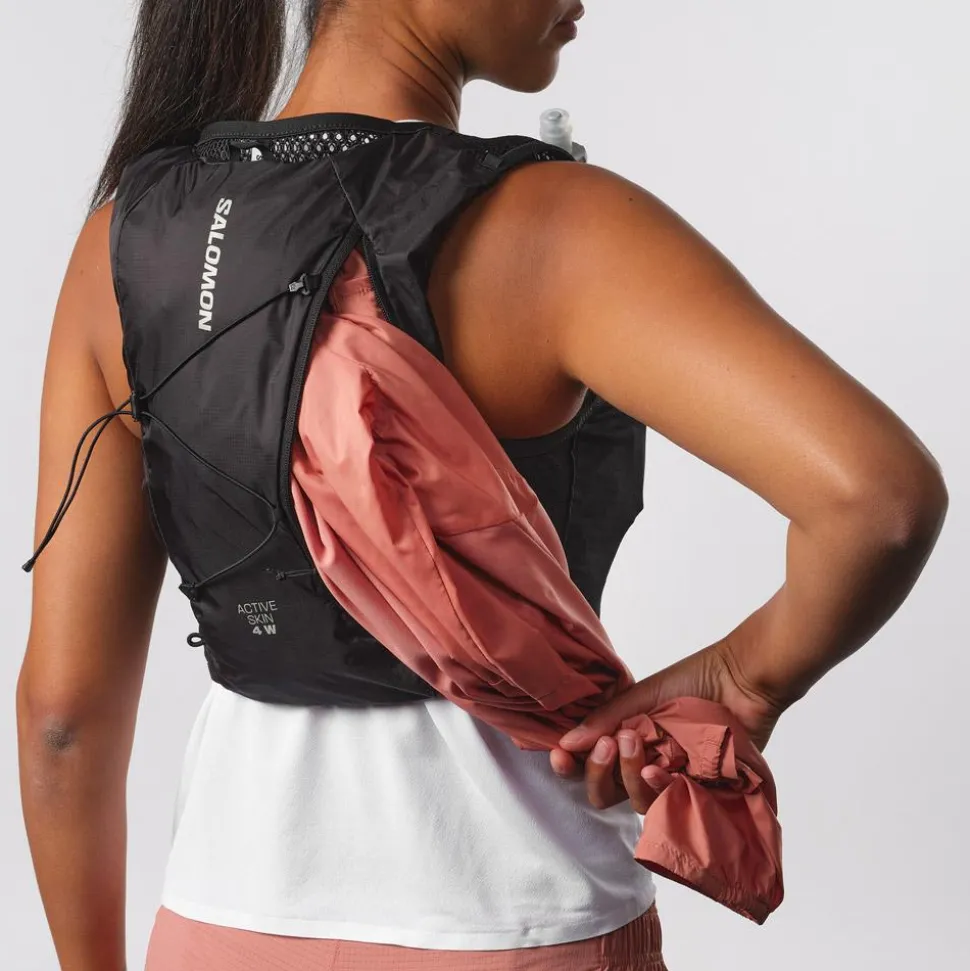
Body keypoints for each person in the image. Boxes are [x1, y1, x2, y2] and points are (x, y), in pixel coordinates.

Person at [15, 1, 948, 970]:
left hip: (220, 919)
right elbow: (877, 502)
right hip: (520, 922)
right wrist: (746, 679)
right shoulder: (558, 224)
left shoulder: (123, 242)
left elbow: (62, 719)